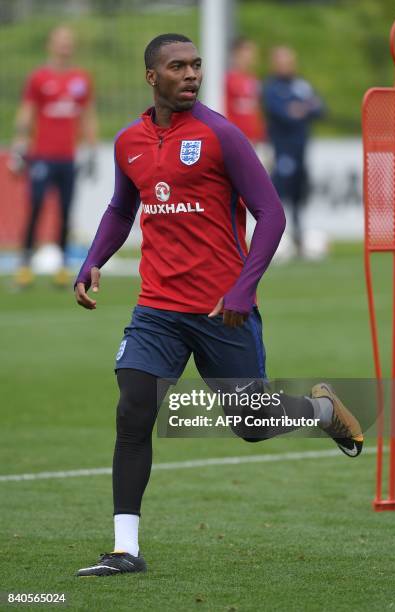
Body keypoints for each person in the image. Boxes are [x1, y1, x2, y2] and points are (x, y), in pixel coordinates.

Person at [74, 34, 363, 577]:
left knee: (249, 424)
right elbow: (120, 208)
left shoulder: (220, 135)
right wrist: (92, 260)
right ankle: (125, 549)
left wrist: (243, 290)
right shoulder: (128, 141)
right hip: (156, 308)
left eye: (196, 65)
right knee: (133, 410)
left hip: (220, 311)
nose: (190, 75)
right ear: (151, 76)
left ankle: (322, 410)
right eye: (177, 66)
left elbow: (271, 214)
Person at [9, 25, 98, 288]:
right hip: (41, 156)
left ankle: (62, 266)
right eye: (60, 42)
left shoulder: (81, 80)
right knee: (35, 207)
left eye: (69, 42)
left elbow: (87, 115)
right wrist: (19, 145)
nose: (65, 47)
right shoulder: (39, 78)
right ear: (51, 45)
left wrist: (91, 149)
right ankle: (25, 266)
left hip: (68, 158)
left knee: (66, 210)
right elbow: (27, 113)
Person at [263, 46, 324, 256]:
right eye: (283, 61)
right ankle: (276, 236)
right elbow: (283, 114)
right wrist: (302, 108)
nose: (288, 65)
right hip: (281, 150)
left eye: (290, 60)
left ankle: (299, 235)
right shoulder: (271, 87)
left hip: (301, 150)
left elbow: (320, 109)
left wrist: (300, 109)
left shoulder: (301, 85)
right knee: (278, 193)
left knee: (299, 194)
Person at [225, 37, 266, 145]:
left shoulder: (254, 79)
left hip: (255, 139)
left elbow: (257, 109)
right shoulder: (228, 79)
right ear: (236, 53)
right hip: (237, 139)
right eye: (248, 50)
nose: (252, 55)